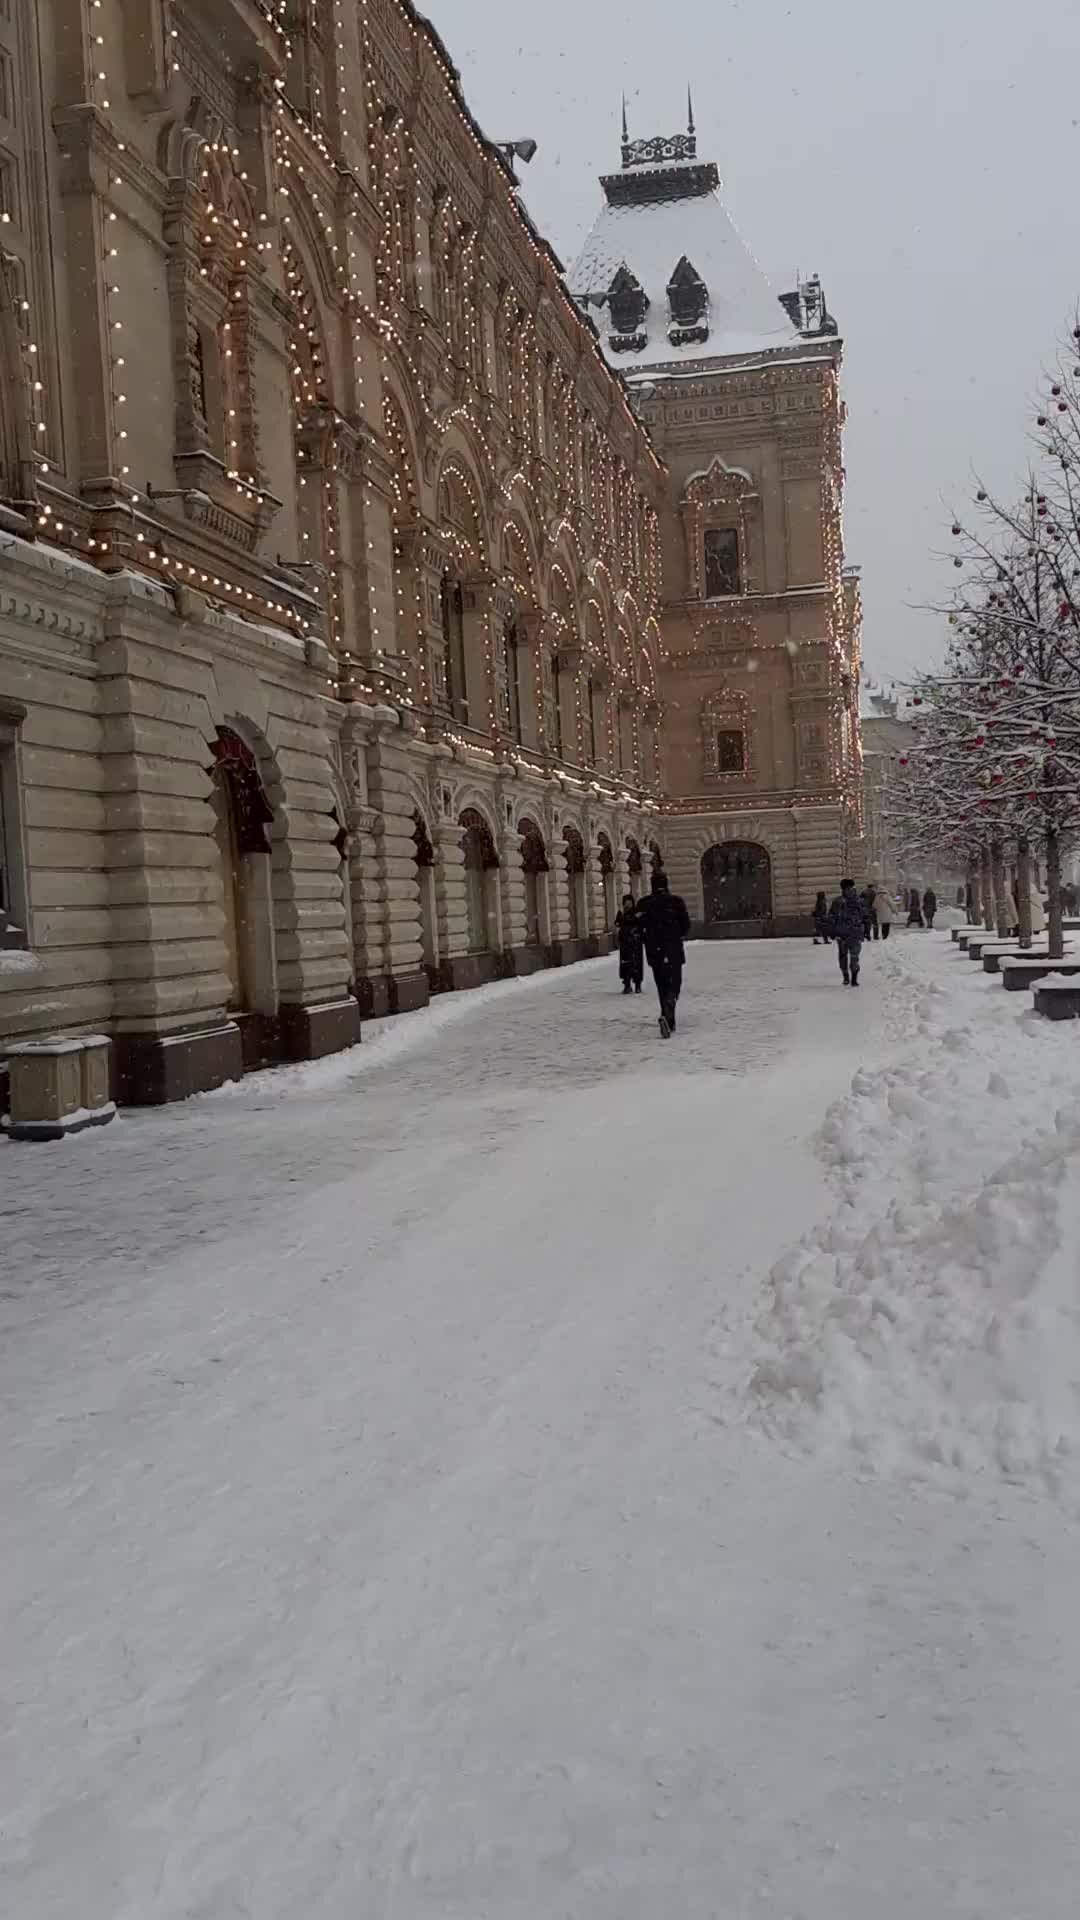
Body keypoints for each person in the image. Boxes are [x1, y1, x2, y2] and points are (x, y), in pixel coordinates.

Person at [636, 870, 691, 1038]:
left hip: (655, 952)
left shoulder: (644, 904)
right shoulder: (676, 902)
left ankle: (667, 1015)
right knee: (675, 983)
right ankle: (670, 1007)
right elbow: (686, 926)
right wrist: (676, 936)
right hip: (673, 950)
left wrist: (649, 939)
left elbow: (639, 927)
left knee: (661, 984)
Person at [827, 877, 868, 986]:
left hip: (842, 934)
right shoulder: (859, 901)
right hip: (855, 933)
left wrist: (832, 932)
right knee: (854, 956)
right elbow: (866, 916)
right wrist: (866, 931)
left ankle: (846, 977)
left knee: (843, 956)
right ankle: (853, 978)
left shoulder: (838, 901)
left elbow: (831, 918)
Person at [614, 892, 644, 995]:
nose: (627, 905)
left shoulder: (637, 912)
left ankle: (637, 985)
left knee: (637, 964)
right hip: (625, 943)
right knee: (625, 964)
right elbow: (617, 923)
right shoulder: (621, 913)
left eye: (629, 902)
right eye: (625, 903)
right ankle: (627, 985)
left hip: (635, 942)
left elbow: (640, 924)